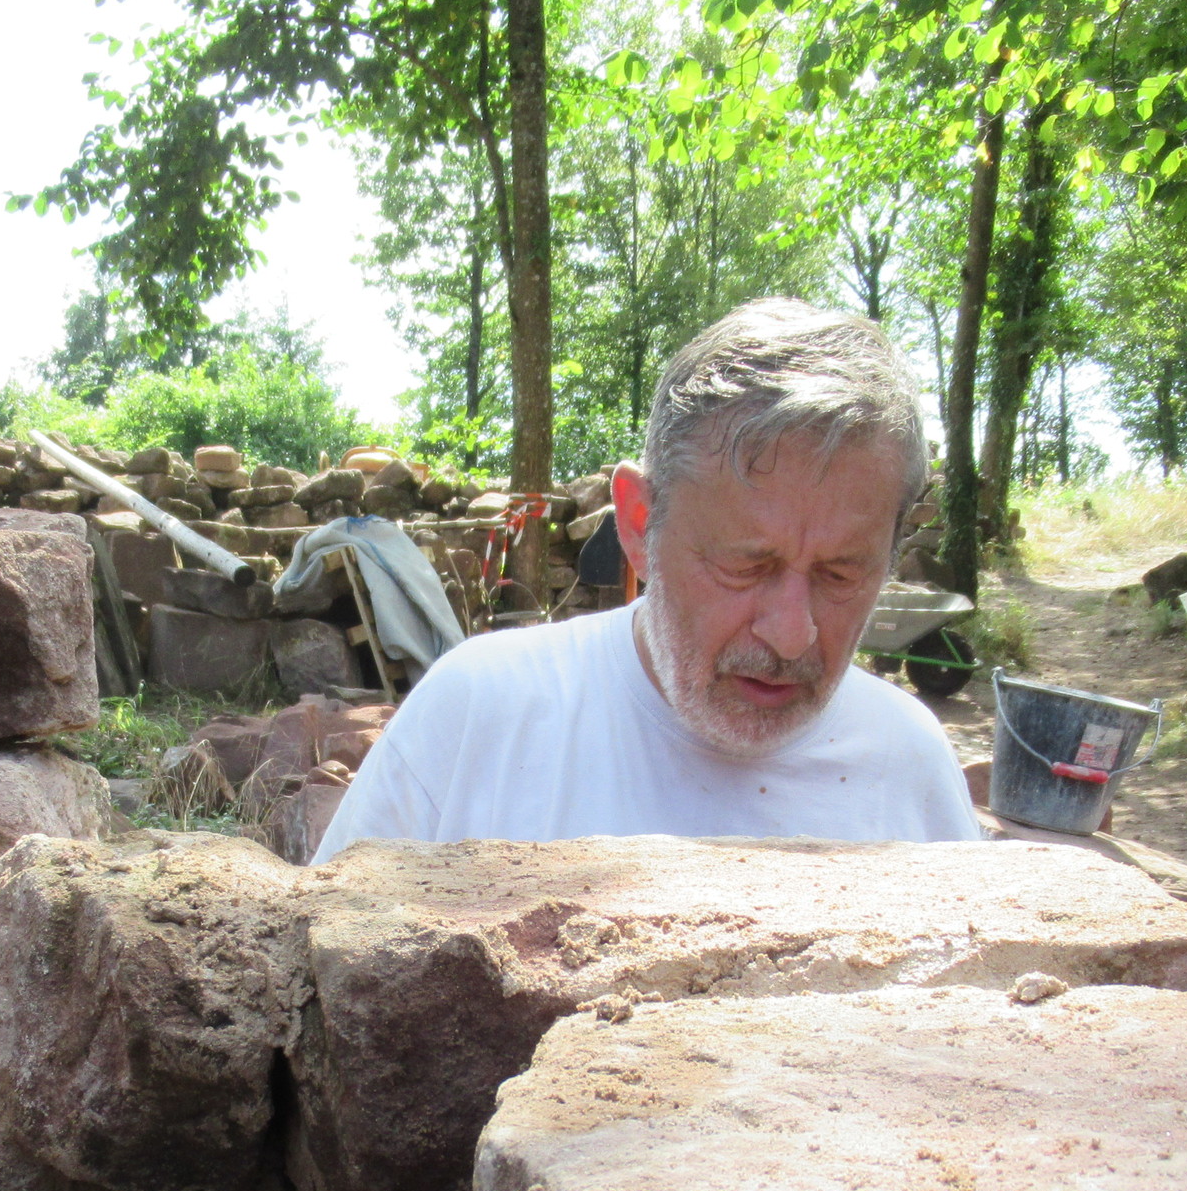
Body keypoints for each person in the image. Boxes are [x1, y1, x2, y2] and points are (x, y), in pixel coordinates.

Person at [311, 299, 981, 861]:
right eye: (746, 566)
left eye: (840, 574)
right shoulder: (474, 716)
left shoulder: (911, 769)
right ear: (638, 522)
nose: (790, 634)